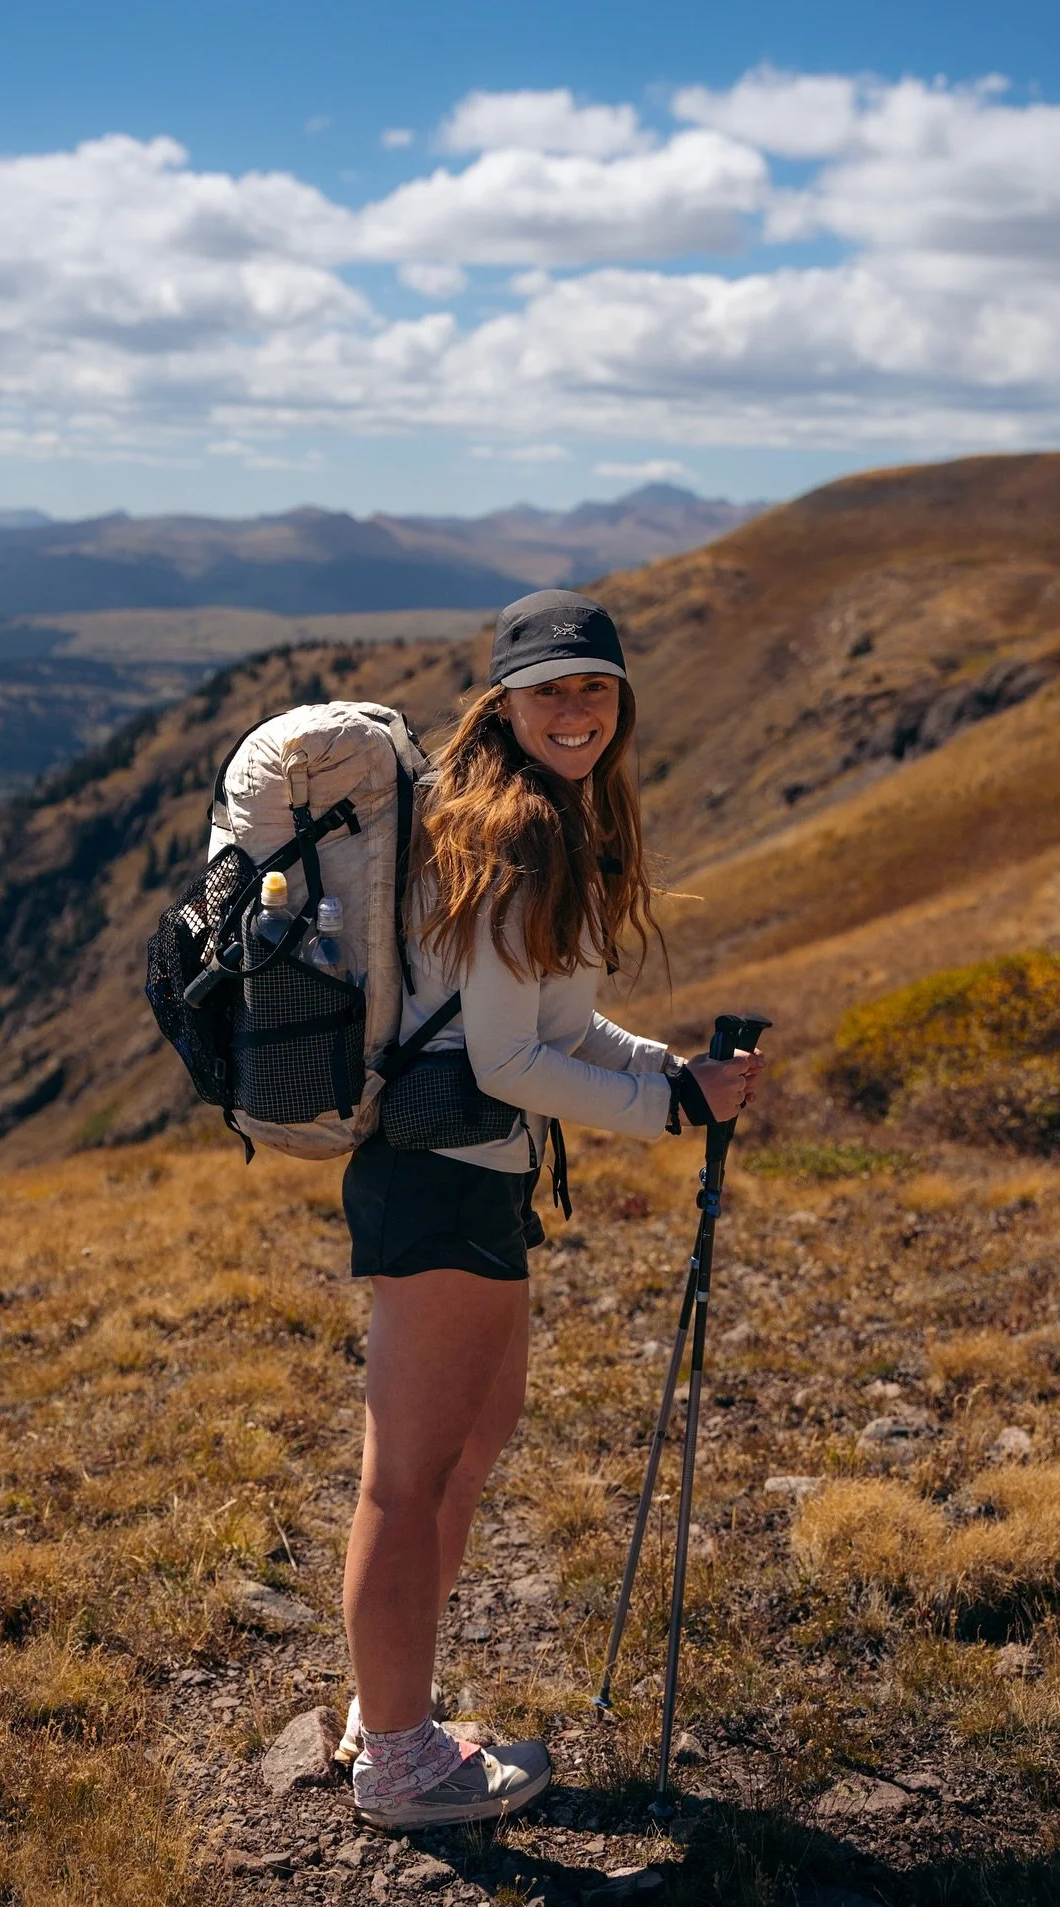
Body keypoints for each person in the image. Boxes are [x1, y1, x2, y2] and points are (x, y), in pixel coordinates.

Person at [336, 589, 765, 1829]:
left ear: (618, 701)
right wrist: (669, 1109)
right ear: (505, 701)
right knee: (411, 1476)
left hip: (476, 1175)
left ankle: (389, 1704)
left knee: (469, 1448)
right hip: (441, 1176)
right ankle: (400, 1759)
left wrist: (668, 1071)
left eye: (594, 689)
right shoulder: (514, 834)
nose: (574, 711)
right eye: (549, 691)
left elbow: (555, 1029)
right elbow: (504, 1065)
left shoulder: (550, 821)